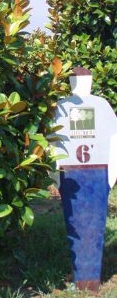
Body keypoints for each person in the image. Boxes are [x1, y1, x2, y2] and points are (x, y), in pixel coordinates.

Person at [54, 66, 117, 291]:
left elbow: (114, 141)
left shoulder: (96, 106)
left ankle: (89, 282)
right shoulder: (64, 106)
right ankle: (85, 281)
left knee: (90, 227)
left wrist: (111, 176)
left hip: (89, 174)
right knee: (78, 227)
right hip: (76, 174)